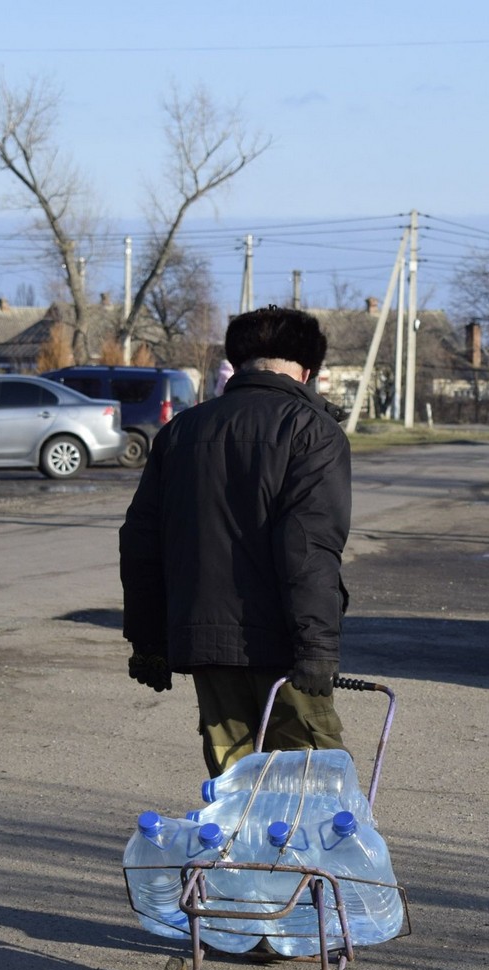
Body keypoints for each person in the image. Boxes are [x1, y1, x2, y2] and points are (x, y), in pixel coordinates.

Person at [119, 305, 350, 778]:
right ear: (308, 372)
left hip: (207, 646)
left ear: (239, 365)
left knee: (235, 797)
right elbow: (308, 549)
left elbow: (141, 544)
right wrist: (317, 649)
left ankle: (237, 855)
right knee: (316, 794)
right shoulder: (312, 431)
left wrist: (149, 641)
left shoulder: (181, 431)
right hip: (284, 650)